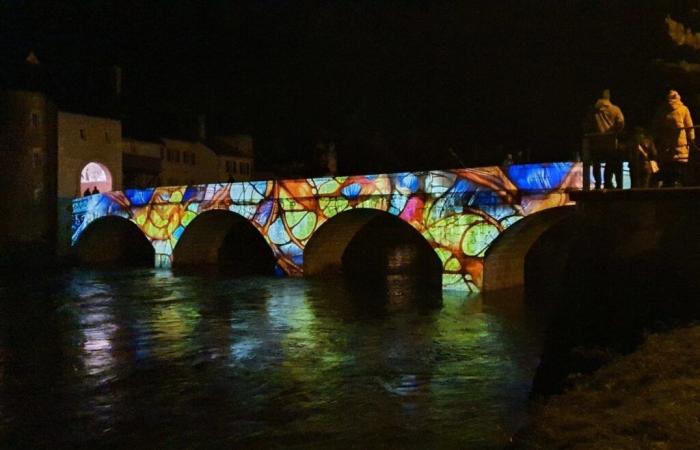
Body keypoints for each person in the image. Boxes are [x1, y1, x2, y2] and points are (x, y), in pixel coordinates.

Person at [583, 89, 625, 189]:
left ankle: (597, 184)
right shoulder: (615, 109)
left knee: (596, 163)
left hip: (595, 143)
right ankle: (608, 183)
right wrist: (614, 130)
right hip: (610, 143)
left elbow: (586, 126)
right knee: (610, 163)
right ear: (608, 96)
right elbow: (621, 123)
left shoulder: (592, 111)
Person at [653, 90, 695, 187]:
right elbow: (689, 127)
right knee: (680, 167)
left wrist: (657, 140)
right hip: (681, 145)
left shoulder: (661, 110)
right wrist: (691, 139)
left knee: (668, 167)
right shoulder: (684, 109)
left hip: (666, 146)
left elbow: (655, 127)